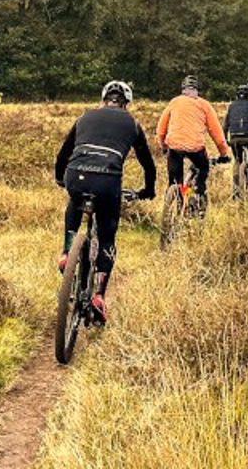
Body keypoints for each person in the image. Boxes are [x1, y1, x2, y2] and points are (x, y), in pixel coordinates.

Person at [53, 80, 155, 321]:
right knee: (107, 236)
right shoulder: (132, 123)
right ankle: (98, 295)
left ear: (103, 99)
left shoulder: (85, 118)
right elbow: (148, 163)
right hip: (107, 182)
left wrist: (60, 179)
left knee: (74, 202)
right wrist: (148, 190)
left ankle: (68, 251)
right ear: (127, 103)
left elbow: (63, 154)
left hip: (75, 175)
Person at [155, 75, 229, 203]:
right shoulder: (205, 105)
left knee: (174, 180)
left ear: (182, 89)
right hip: (196, 148)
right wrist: (223, 153)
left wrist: (163, 146)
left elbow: (161, 129)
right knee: (203, 168)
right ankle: (197, 192)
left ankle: (174, 199)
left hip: (174, 147)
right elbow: (217, 133)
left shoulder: (174, 102)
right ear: (198, 90)